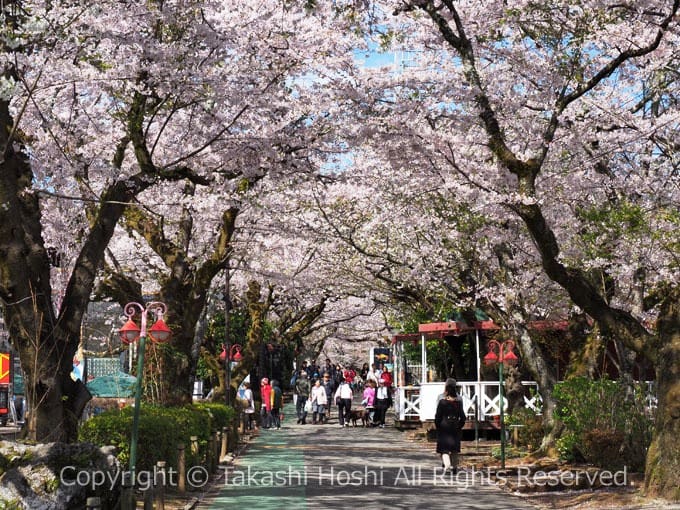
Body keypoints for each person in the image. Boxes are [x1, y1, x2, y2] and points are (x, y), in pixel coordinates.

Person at [434, 378, 466, 474]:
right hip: (455, 428)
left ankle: (447, 465)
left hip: (444, 428)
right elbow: (463, 417)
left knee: (444, 450)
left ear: (446, 389)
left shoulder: (442, 401)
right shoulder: (459, 402)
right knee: (454, 449)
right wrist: (459, 426)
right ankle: (454, 467)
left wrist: (438, 425)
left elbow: (438, 416)